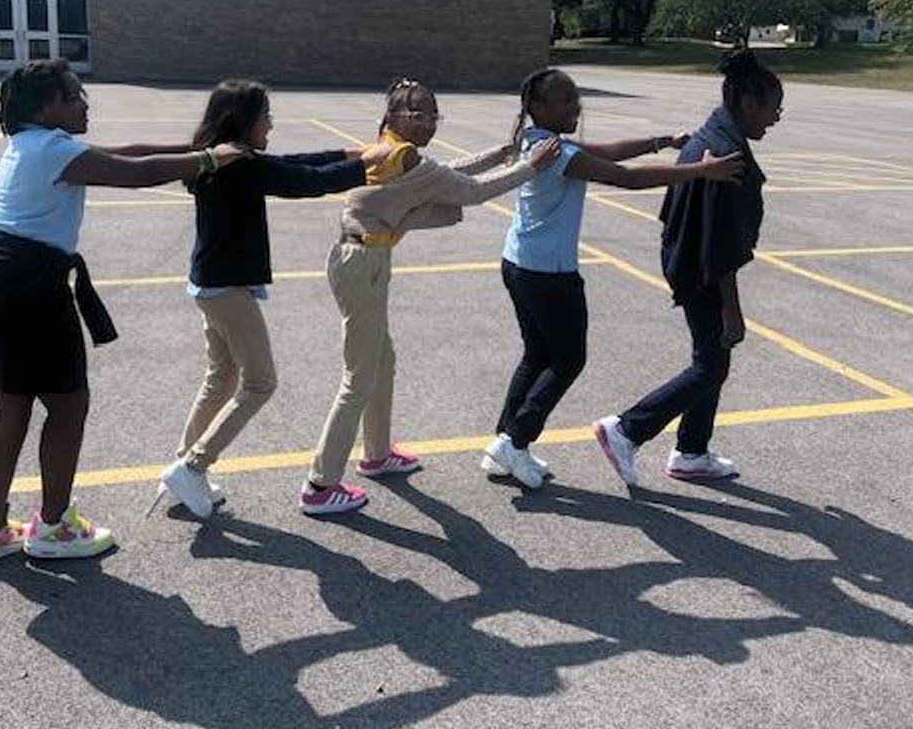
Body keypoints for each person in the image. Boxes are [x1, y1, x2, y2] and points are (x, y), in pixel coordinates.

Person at [0, 60, 244, 568]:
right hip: (25, 290)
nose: (84, 104)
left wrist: (196, 149)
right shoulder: (53, 149)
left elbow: (125, 153)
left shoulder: (31, 145)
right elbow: (137, 173)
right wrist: (211, 160)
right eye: (75, 95)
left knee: (8, 410)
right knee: (68, 406)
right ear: (45, 106)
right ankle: (53, 528)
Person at [300, 77, 563, 516]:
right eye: (418, 113)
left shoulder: (396, 149)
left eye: (433, 113)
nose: (428, 121)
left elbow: (448, 173)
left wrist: (500, 154)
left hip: (365, 259)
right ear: (394, 116)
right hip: (361, 263)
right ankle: (320, 484)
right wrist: (529, 166)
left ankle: (378, 454)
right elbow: (468, 190)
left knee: (382, 363)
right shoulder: (402, 157)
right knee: (359, 377)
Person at [481, 66, 744, 489]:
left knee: (536, 356)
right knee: (568, 359)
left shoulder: (538, 144)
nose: (575, 105)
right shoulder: (557, 154)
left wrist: (661, 141)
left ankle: (505, 446)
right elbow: (626, 178)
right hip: (548, 273)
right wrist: (700, 171)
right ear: (536, 106)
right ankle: (515, 440)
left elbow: (609, 152)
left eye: (575, 97)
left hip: (518, 264)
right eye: (565, 99)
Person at [156, 79, 392, 518]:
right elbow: (300, 181)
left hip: (210, 284)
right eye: (266, 116)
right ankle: (193, 466)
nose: (271, 124)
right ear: (242, 121)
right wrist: (364, 168)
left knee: (221, 376)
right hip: (227, 289)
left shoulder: (225, 157)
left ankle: (185, 466)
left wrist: (348, 155)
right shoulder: (238, 165)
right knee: (260, 382)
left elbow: (288, 164)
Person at [594, 49, 783, 487]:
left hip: (686, 255)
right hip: (701, 267)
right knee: (711, 365)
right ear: (750, 104)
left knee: (713, 356)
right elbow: (721, 243)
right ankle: (626, 430)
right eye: (774, 109)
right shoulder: (726, 152)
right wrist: (732, 310)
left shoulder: (711, 134)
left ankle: (692, 451)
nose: (775, 119)